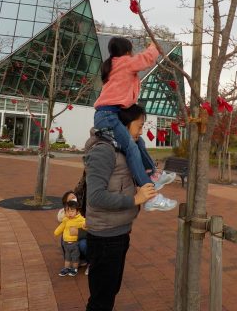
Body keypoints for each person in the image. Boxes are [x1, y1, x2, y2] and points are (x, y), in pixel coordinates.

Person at [85, 104, 177, 311]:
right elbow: (95, 197)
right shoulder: (103, 151)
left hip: (119, 231)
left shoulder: (123, 148)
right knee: (101, 299)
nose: (142, 131)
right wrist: (135, 200)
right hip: (104, 237)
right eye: (139, 126)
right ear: (122, 126)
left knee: (109, 292)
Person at [93, 36, 176, 211]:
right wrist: (154, 46)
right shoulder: (125, 62)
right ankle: (150, 196)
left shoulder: (114, 64)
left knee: (138, 141)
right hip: (108, 115)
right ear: (128, 51)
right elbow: (145, 60)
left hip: (109, 114)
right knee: (131, 147)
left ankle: (153, 174)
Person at [57, 190, 88, 273]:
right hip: (72, 238)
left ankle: (90, 260)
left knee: (83, 244)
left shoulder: (83, 210)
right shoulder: (66, 214)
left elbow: (90, 229)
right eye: (70, 199)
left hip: (85, 236)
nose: (73, 199)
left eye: (74, 197)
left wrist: (79, 232)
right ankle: (72, 260)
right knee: (64, 238)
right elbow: (61, 222)